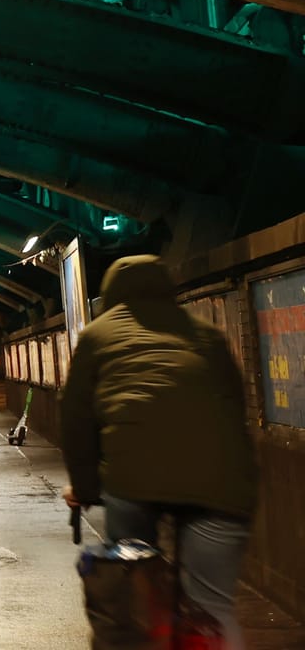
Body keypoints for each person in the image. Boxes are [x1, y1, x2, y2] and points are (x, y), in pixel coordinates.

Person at [60, 255, 257, 649]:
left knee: (135, 594)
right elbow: (237, 409)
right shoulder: (206, 335)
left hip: (134, 481)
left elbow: (76, 419)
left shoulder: (97, 336)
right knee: (212, 608)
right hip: (221, 484)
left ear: (110, 294)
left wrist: (84, 488)